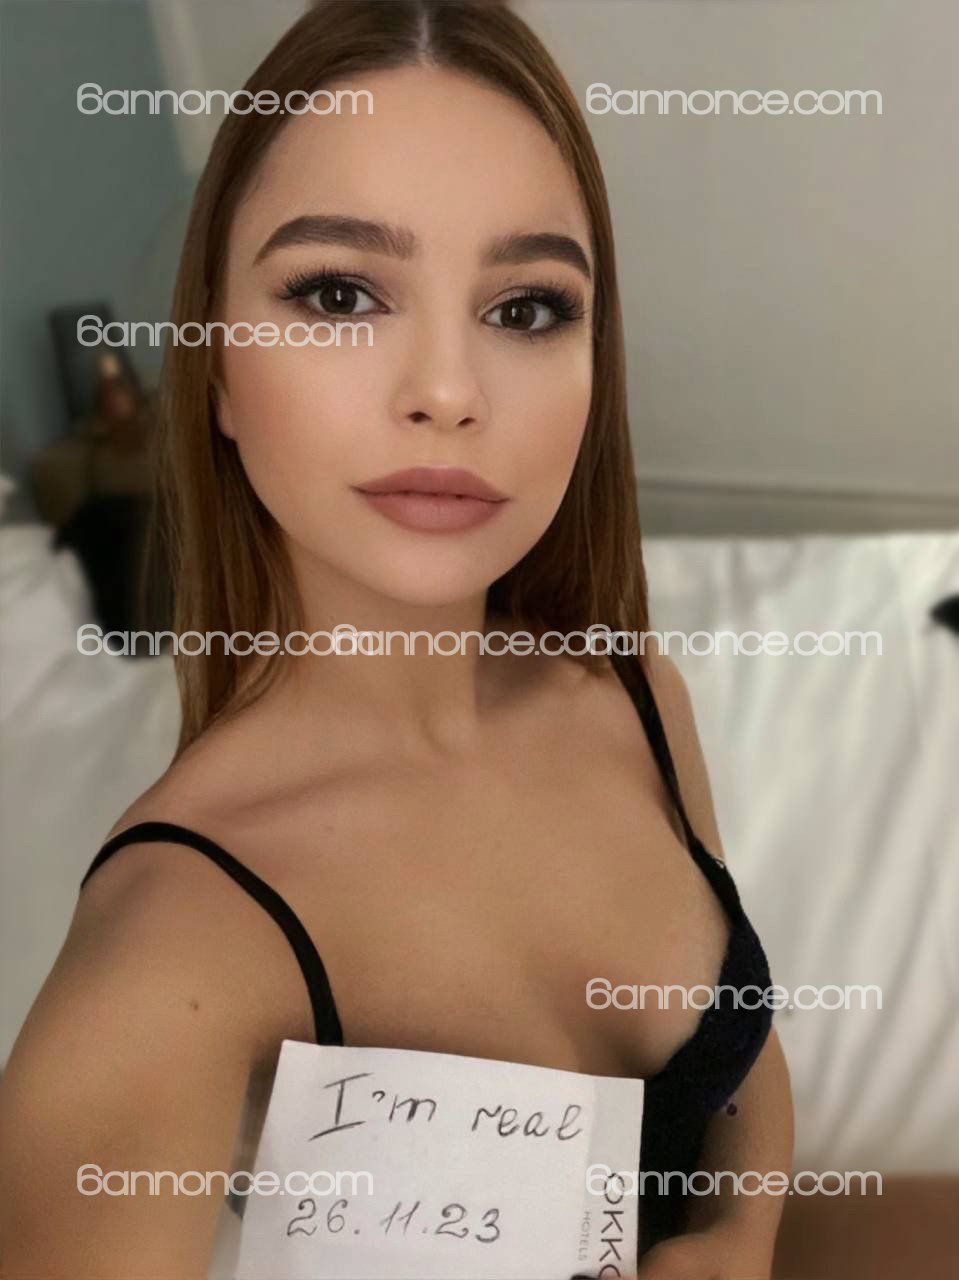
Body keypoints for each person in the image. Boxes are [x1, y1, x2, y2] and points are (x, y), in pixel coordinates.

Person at [0, 3, 792, 1276]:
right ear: (212, 367)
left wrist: (739, 1236)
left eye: (525, 307)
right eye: (339, 293)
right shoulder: (171, 952)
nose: (448, 390)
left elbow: (746, 1068)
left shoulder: (633, 695)